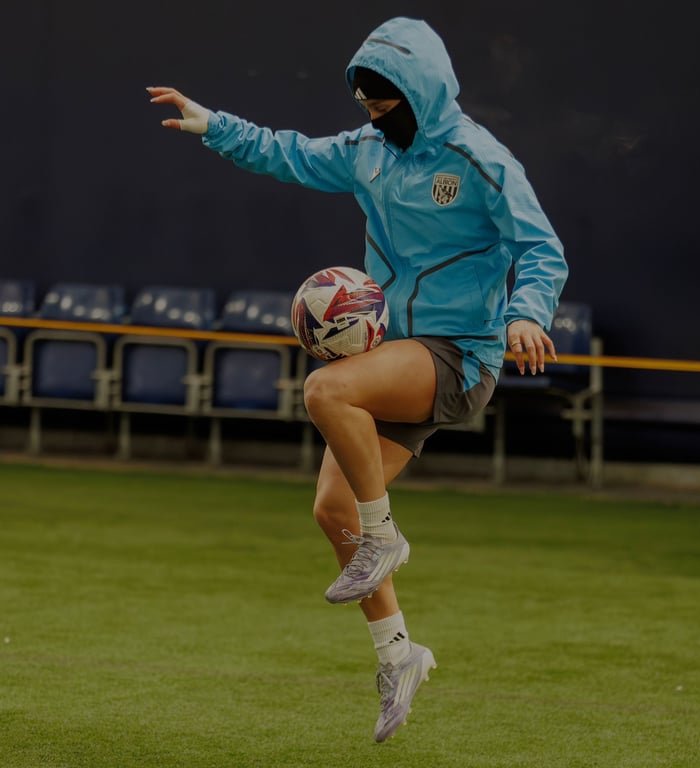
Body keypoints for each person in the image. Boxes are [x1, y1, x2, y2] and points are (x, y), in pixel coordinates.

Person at [148, 16, 567, 742]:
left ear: (422, 93)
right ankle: (399, 653)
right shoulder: (366, 151)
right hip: (396, 354)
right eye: (365, 102)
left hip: (459, 353)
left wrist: (526, 314)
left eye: (385, 102)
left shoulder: (478, 158)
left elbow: (541, 248)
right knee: (332, 508)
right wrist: (213, 124)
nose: (373, 114)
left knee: (325, 388)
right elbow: (288, 152)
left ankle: (384, 535)